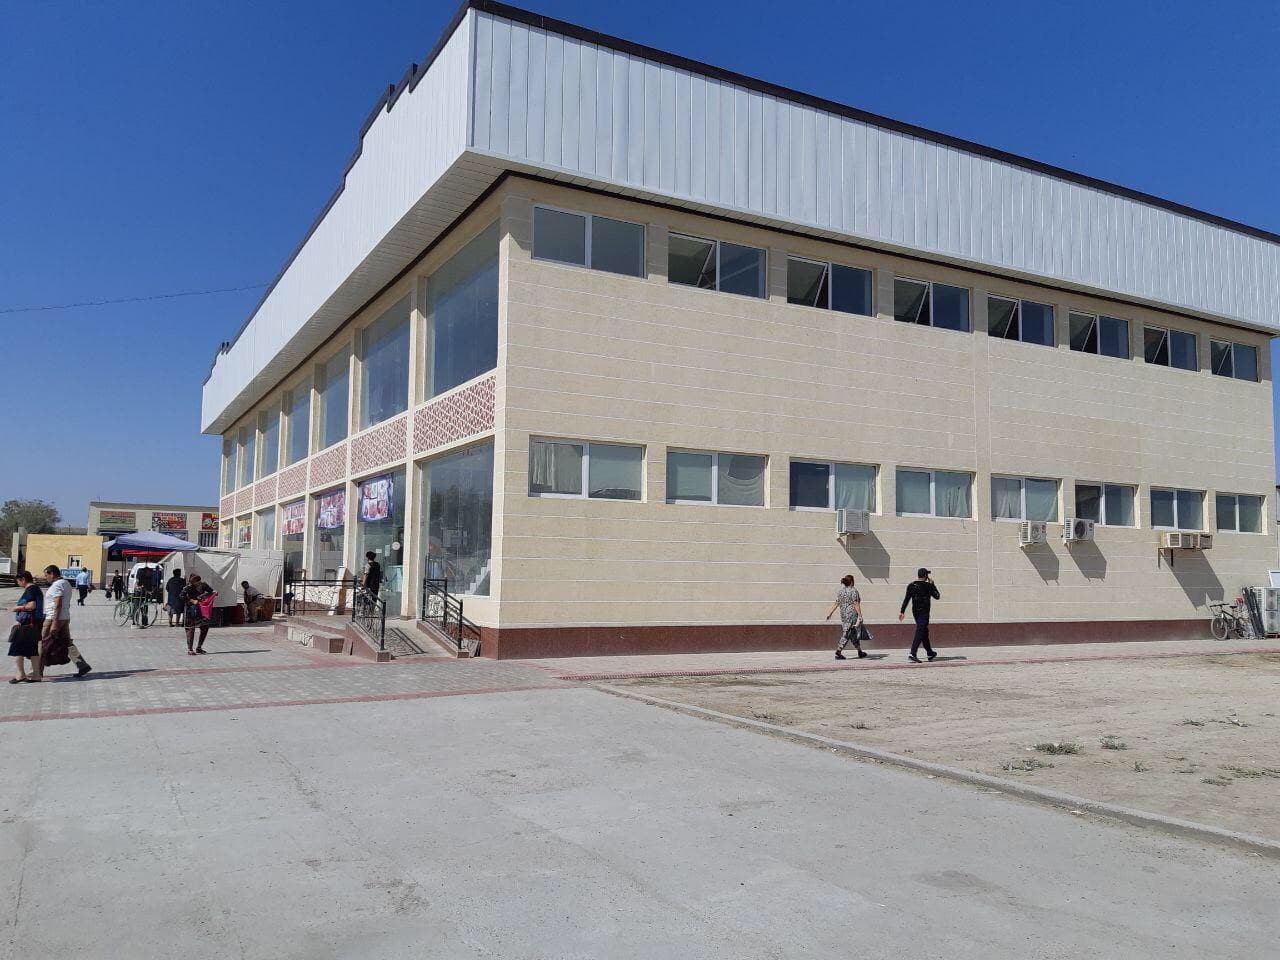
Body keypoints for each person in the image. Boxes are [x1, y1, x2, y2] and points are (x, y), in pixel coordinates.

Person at [41, 565, 91, 678]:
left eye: (46, 575)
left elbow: (58, 604)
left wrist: (54, 623)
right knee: (67, 643)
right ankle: (82, 665)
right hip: (64, 617)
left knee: (43, 643)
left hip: (53, 618)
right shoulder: (66, 583)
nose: (45, 578)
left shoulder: (57, 585)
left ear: (52, 574)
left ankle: (37, 671)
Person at [898, 567, 940, 663]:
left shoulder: (911, 585)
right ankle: (913, 653)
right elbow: (937, 596)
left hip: (915, 612)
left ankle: (930, 652)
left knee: (924, 631)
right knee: (920, 631)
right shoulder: (928, 586)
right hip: (924, 612)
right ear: (925, 576)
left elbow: (906, 599)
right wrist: (933, 585)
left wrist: (902, 611)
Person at [8, 571, 43, 683]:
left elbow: (31, 606)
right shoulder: (36, 589)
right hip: (34, 623)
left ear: (23, 579)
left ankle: (21, 674)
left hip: (28, 623)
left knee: (16, 649)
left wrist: (17, 608)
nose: (18, 583)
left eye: (18, 581)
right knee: (33, 650)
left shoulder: (30, 590)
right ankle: (36, 675)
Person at [825, 574, 869, 661]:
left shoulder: (841, 591)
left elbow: (837, 603)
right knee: (847, 633)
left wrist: (830, 613)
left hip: (844, 615)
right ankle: (838, 651)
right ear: (852, 582)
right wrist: (860, 615)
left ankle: (860, 651)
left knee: (852, 633)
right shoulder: (854, 591)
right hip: (852, 615)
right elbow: (855, 603)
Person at [182, 574, 215, 654]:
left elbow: (211, 591)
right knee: (190, 629)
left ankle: (199, 647)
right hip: (190, 611)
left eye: (199, 581)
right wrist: (192, 601)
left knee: (205, 627)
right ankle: (190, 649)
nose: (198, 583)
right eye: (196, 581)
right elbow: (182, 596)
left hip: (201, 610)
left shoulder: (204, 585)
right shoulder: (188, 588)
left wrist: (212, 593)